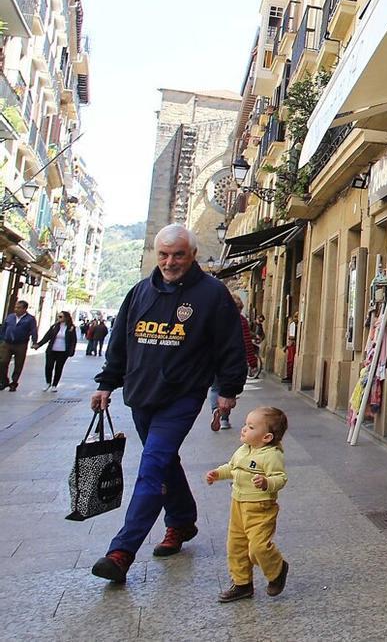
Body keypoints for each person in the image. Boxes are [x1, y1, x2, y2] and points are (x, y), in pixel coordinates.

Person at [89, 223, 248, 584]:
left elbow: (230, 346)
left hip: (183, 395)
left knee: (153, 463)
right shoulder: (139, 292)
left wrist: (228, 390)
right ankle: (181, 521)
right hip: (141, 394)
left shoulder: (212, 294)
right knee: (163, 462)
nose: (170, 261)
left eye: (178, 254)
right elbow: (120, 343)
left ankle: (121, 551)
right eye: (163, 254)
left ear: (192, 255)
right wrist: (106, 384)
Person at [205, 406, 289, 602]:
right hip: (238, 505)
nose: (244, 429)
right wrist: (217, 474)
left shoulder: (271, 455)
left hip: (260, 508)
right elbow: (232, 468)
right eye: (245, 424)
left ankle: (277, 569)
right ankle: (242, 584)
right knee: (236, 546)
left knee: (258, 548)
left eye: (250, 427)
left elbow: (280, 478)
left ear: (266, 437)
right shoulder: (243, 450)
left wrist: (267, 482)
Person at [208, 294, 257, 431]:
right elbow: (247, 343)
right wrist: (252, 362)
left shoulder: (215, 320)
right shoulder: (241, 321)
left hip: (214, 361)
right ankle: (224, 419)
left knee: (215, 388)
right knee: (228, 391)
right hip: (233, 363)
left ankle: (215, 411)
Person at [34, 311, 77, 392]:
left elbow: (73, 341)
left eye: (61, 317)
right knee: (48, 366)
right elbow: (47, 337)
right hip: (52, 350)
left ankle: (54, 385)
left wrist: (71, 351)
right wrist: (38, 345)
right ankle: (48, 382)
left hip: (63, 352)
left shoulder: (71, 328)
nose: (59, 318)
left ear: (66, 318)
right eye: (58, 316)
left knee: (59, 368)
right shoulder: (54, 326)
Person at [0, 300, 38, 391]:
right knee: (2, 362)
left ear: (25, 309)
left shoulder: (30, 319)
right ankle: (4, 380)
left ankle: (14, 383)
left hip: (21, 344)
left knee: (18, 364)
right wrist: (1, 339)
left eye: (19, 307)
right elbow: (3, 328)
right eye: (16, 307)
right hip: (7, 343)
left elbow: (33, 330)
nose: (16, 309)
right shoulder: (10, 317)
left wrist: (34, 341)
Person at [283, 312, 298, 383]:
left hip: (293, 345)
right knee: (290, 361)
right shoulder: (293, 324)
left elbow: (292, 336)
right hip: (292, 345)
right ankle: (289, 375)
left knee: (291, 361)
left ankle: (290, 376)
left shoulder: (293, 324)